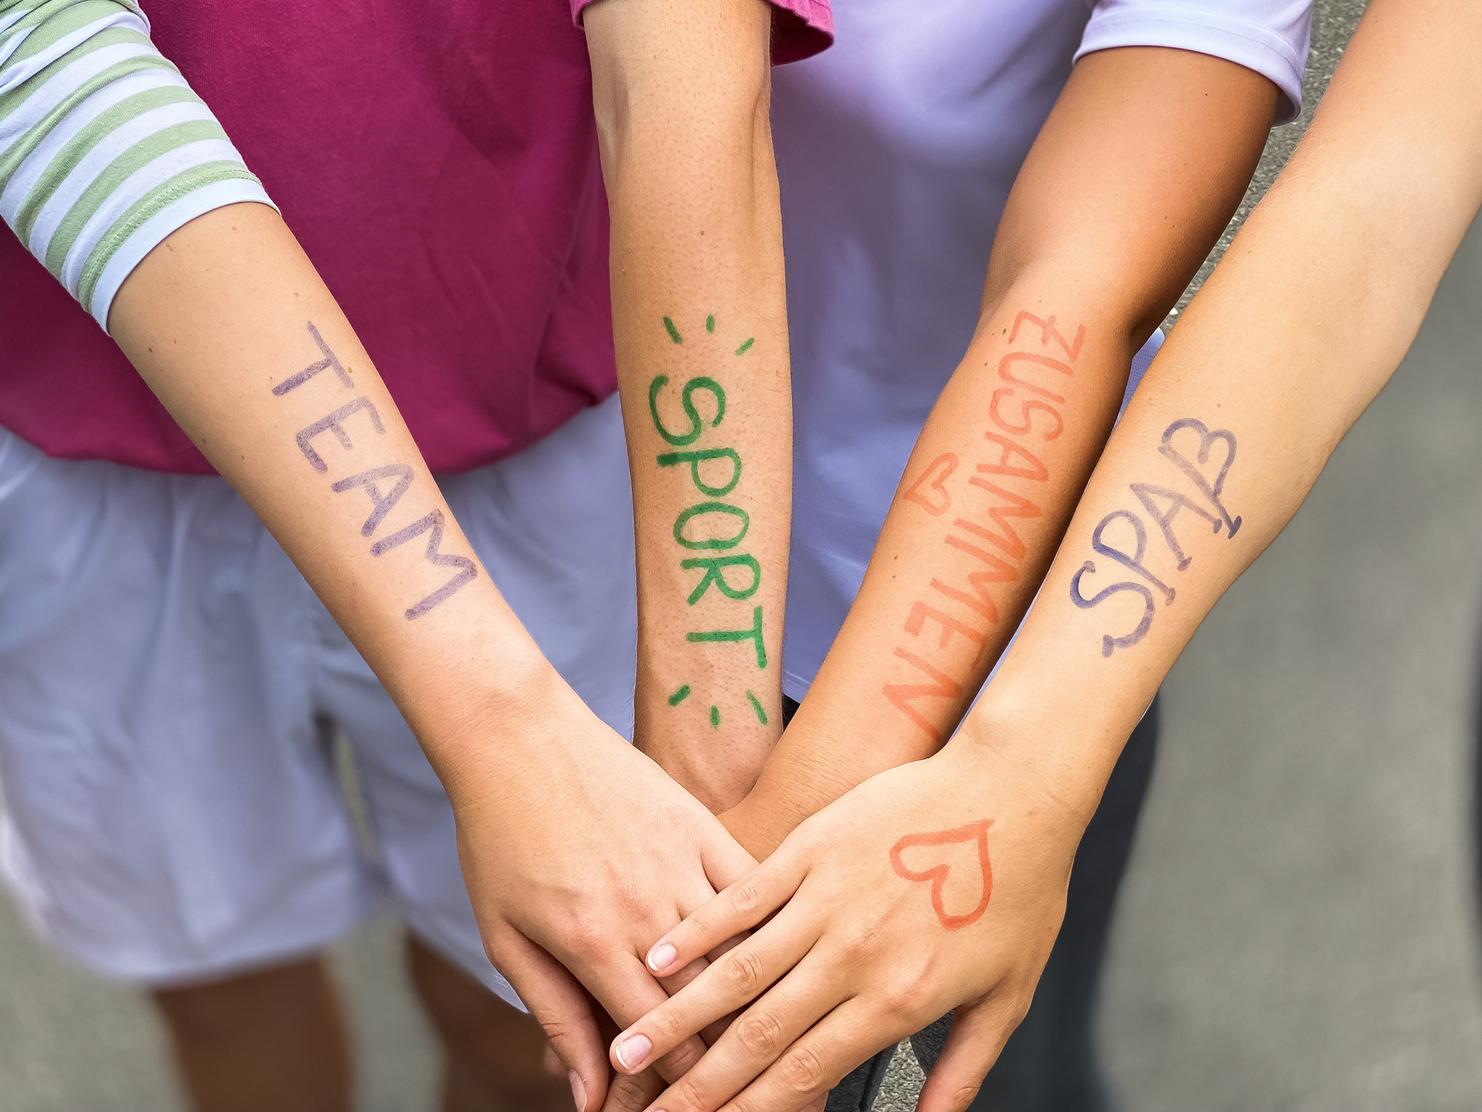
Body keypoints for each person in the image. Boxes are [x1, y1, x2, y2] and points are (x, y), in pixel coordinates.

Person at [609, 1, 1482, 1110]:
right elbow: (680, 109)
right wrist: (715, 777)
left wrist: (1011, 770)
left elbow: (1357, 200)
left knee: (1021, 1069)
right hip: (592, 561)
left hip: (1023, 630)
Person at [0, 1, 829, 1109]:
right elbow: (37, 57)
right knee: (218, 979)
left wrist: (712, 754)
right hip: (84, 434)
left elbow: (683, 71)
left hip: (527, 410)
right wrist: (502, 720)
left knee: (547, 1008)